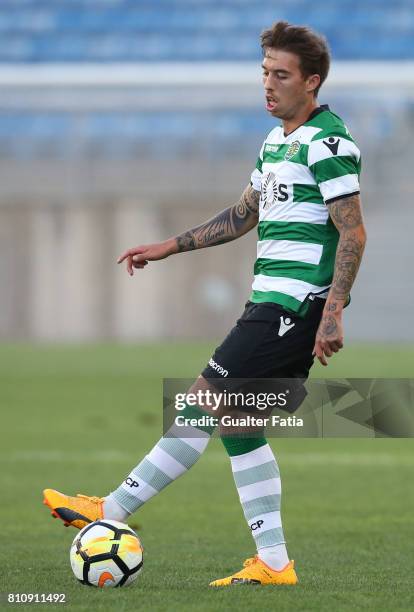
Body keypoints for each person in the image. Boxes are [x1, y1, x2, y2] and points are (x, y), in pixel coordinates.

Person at [43, 21, 366, 586]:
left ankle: (112, 510)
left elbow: (354, 232)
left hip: (293, 306)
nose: (268, 84)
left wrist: (332, 312)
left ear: (311, 81)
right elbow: (244, 214)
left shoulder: (330, 142)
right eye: (264, 72)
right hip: (270, 301)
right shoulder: (275, 143)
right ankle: (273, 563)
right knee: (240, 425)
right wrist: (169, 246)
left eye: (281, 75)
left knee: (202, 400)